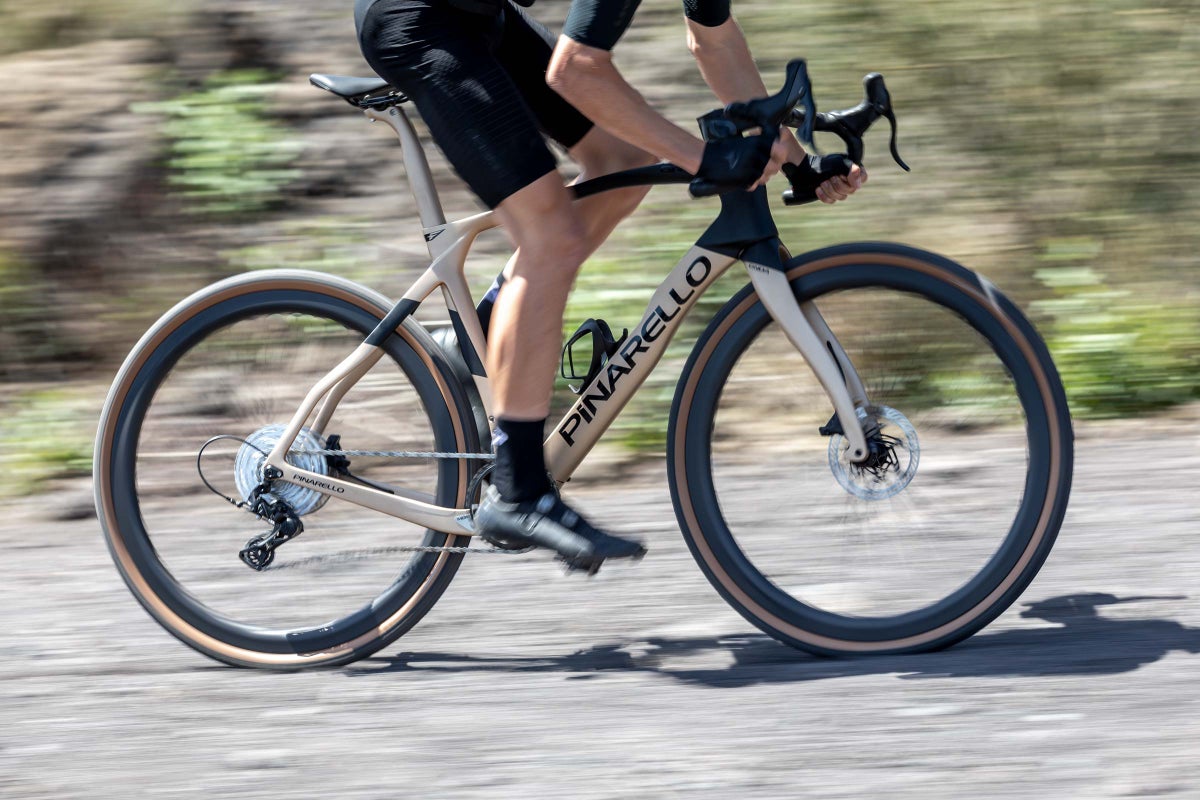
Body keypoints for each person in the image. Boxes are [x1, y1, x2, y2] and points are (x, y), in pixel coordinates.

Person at [353, 0, 866, 573]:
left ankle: (498, 324)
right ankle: (518, 491)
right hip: (421, 20)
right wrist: (704, 158)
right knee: (553, 233)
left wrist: (799, 162)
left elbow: (714, 44)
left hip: (482, 17)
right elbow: (576, 70)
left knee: (622, 158)